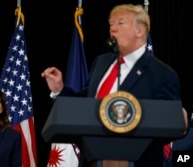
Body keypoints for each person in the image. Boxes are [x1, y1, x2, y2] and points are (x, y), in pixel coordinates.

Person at [41, 3, 186, 167]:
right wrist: (60, 90)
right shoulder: (101, 62)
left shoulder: (162, 74)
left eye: (120, 23)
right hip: (93, 160)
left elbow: (168, 124)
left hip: (137, 161)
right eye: (111, 24)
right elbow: (85, 104)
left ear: (140, 31)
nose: (113, 29)